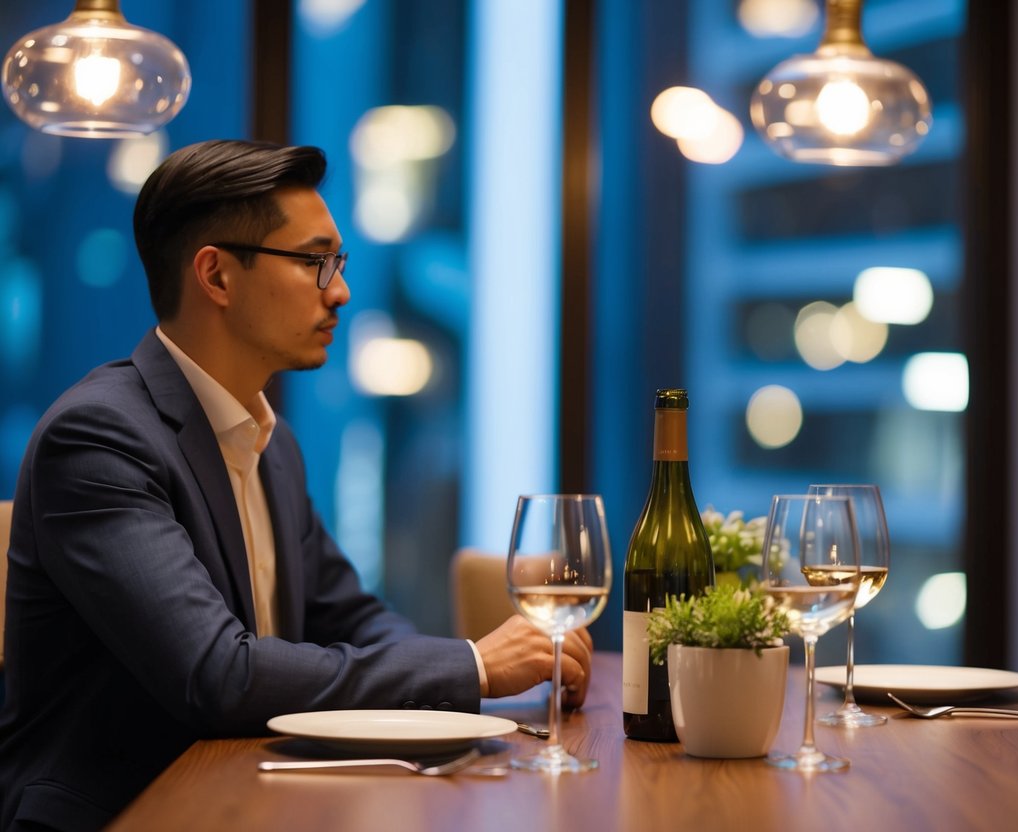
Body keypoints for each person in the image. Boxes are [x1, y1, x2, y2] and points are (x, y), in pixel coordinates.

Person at [0, 139, 593, 830]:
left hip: (255, 793)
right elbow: (215, 674)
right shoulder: (99, 438)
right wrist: (472, 666)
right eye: (315, 263)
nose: (340, 292)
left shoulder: (271, 440)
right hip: (126, 811)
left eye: (337, 264)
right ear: (217, 277)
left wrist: (443, 701)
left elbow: (351, 616)